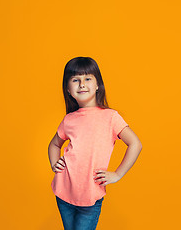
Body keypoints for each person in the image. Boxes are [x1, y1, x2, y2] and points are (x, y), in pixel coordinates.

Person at [48, 56, 142, 230]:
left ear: (98, 85)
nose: (82, 84)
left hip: (90, 197)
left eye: (88, 79)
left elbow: (135, 144)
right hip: (63, 192)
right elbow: (54, 144)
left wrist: (117, 174)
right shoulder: (69, 119)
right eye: (75, 80)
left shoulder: (111, 117)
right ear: (68, 89)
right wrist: (54, 163)